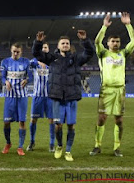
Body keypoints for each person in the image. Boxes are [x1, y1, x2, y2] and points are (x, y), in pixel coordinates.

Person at [33, 30, 94, 161]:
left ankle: (68, 151)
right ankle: (60, 145)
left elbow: (90, 53)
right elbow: (36, 54)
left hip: (72, 97)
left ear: (69, 45)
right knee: (58, 125)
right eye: (63, 43)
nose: (65, 45)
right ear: (58, 46)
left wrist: (85, 40)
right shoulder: (52, 59)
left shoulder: (76, 59)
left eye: (67, 43)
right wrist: (38, 42)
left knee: (71, 125)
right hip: (57, 97)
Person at [90, 12, 134, 157]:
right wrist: (104, 27)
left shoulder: (123, 54)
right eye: (113, 41)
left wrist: (128, 25)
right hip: (106, 89)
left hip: (120, 90)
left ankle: (117, 148)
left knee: (119, 120)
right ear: (108, 43)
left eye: (117, 41)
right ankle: (97, 145)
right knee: (101, 118)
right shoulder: (103, 53)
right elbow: (97, 42)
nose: (115, 43)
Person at [0, 43, 30, 156]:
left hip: (22, 96)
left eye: (18, 52)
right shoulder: (5, 62)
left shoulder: (26, 62)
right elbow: (3, 76)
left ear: (21, 52)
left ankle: (20, 147)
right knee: (6, 122)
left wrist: (26, 80)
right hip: (10, 96)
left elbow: (30, 76)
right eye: (14, 51)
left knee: (22, 121)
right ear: (11, 51)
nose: (15, 54)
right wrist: (6, 81)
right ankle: (8, 143)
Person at [26, 42, 56, 153]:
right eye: (42, 47)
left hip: (50, 97)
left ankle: (52, 144)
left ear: (48, 49)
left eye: (46, 47)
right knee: (33, 120)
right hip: (37, 96)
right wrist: (38, 61)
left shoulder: (53, 63)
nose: (44, 49)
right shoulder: (34, 63)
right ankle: (32, 142)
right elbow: (27, 63)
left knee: (51, 120)